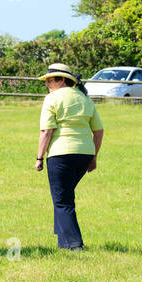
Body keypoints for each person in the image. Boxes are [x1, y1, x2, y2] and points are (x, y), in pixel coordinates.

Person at [35, 62, 104, 251]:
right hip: (84, 154)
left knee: (62, 201)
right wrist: (94, 157)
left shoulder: (52, 99)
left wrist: (39, 157)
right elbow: (98, 131)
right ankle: (63, 242)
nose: (48, 84)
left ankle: (74, 245)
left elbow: (46, 131)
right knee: (64, 196)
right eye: (47, 81)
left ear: (63, 80)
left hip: (61, 154)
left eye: (51, 80)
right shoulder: (85, 99)